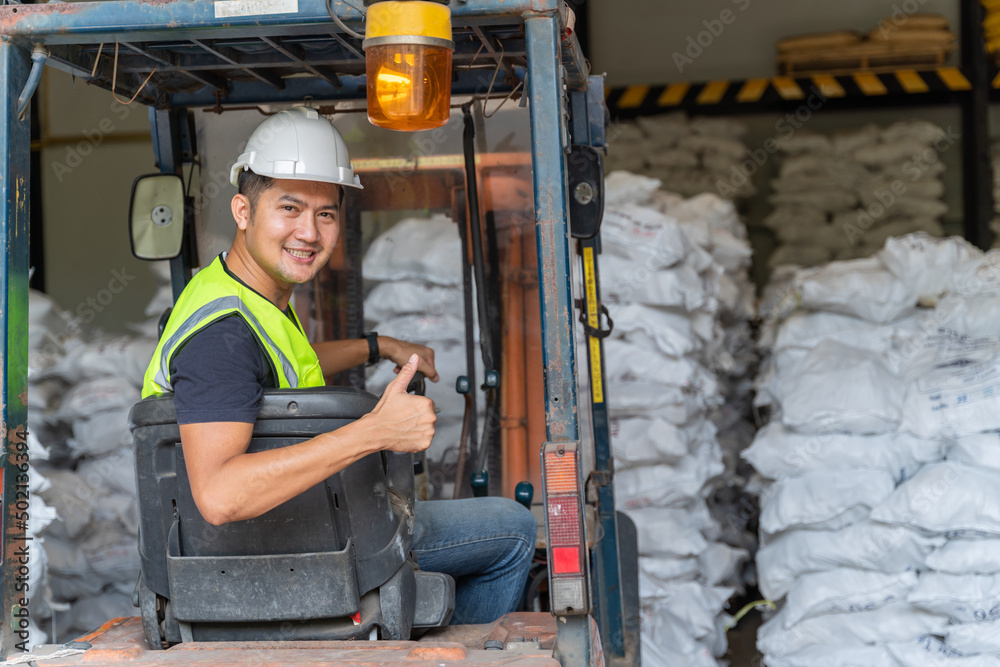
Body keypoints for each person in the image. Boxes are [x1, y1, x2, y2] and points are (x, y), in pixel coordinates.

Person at [140, 106, 537, 625]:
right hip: (280, 550)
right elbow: (220, 496)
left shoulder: (238, 297)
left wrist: (377, 346)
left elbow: (275, 373)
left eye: (325, 213)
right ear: (243, 210)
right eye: (289, 208)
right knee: (512, 529)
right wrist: (375, 432)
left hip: (285, 532)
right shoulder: (222, 338)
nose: (309, 232)